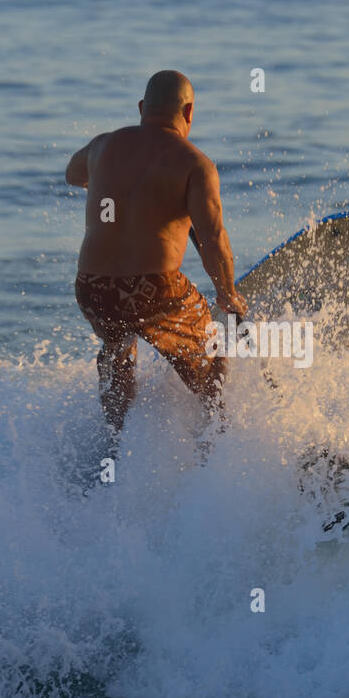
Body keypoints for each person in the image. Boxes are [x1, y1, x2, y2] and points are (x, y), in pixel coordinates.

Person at [66, 70, 248, 436]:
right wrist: (227, 294)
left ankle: (115, 439)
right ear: (190, 112)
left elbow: (73, 174)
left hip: (93, 287)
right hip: (155, 291)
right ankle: (221, 443)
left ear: (141, 108)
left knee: (118, 346)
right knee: (212, 353)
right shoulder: (196, 164)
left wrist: (111, 179)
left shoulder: (103, 146)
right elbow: (212, 240)